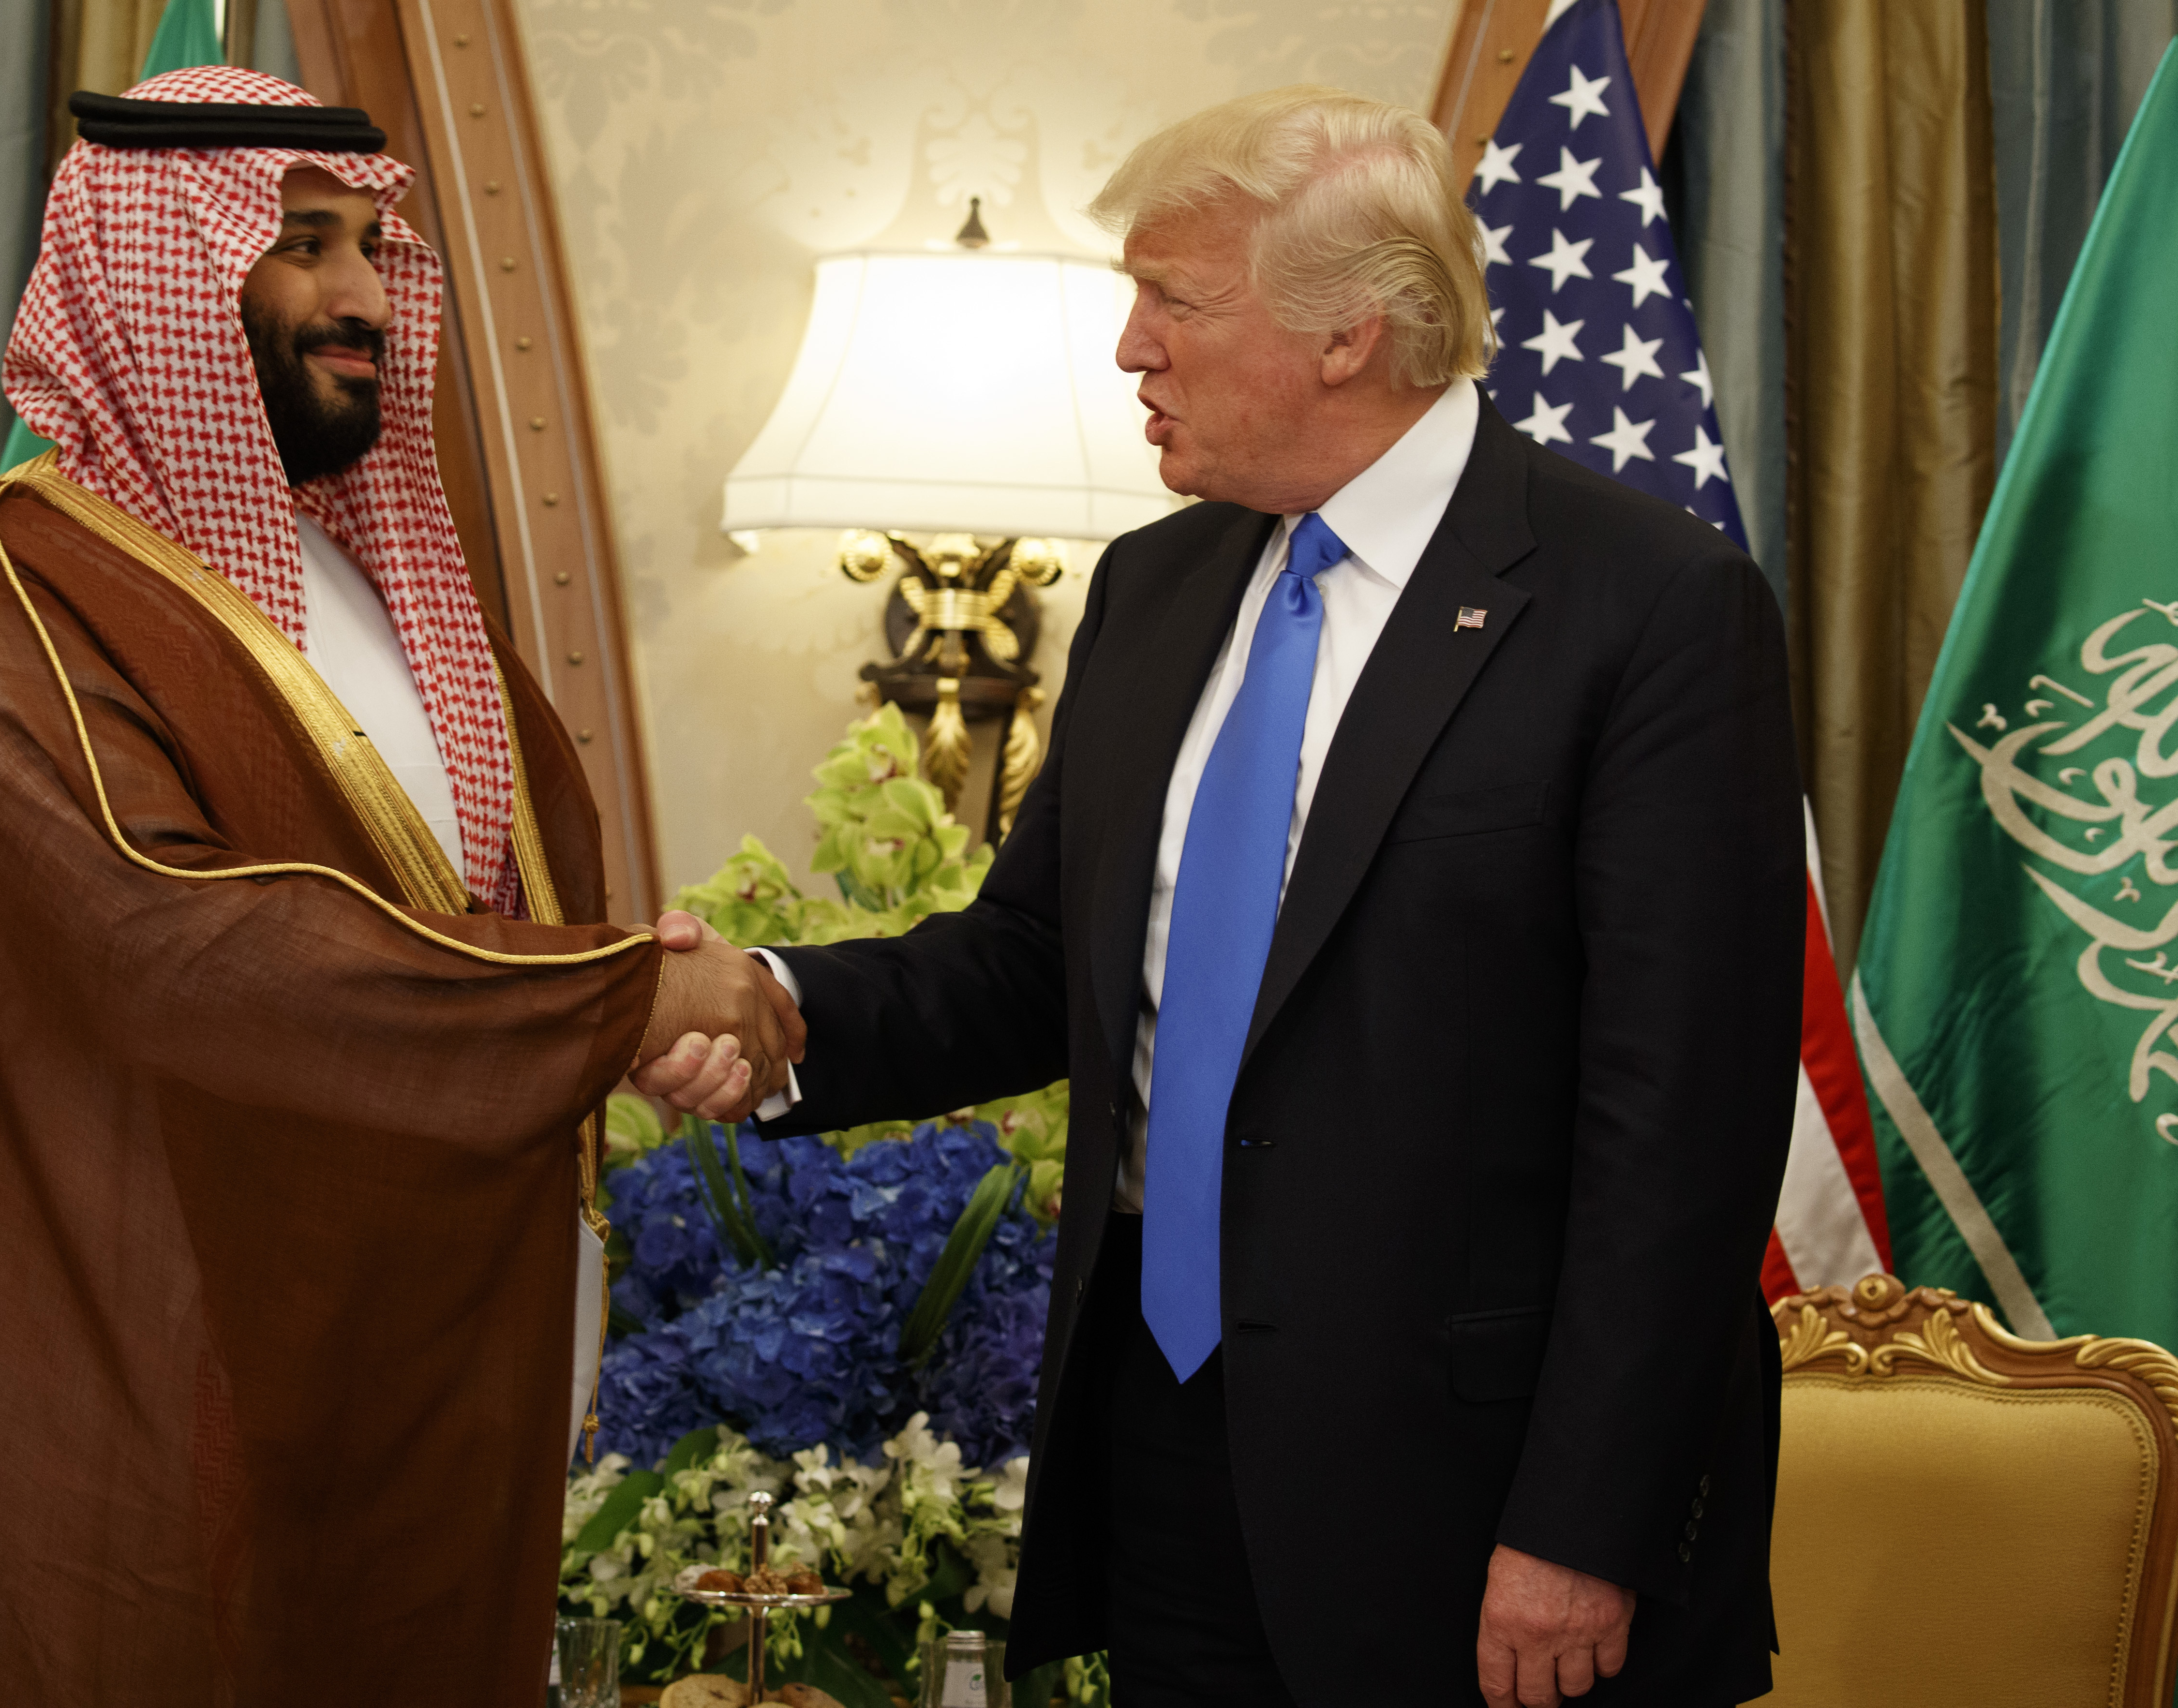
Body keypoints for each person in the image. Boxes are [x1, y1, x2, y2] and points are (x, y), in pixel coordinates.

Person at [638, 86, 1802, 1708]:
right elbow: (1038, 961)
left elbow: (1679, 1129)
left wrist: (1581, 1525)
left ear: (1348, 336)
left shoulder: (1650, 611)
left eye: (1171, 300)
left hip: (1479, 1505)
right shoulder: (1158, 583)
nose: (1128, 349)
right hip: (1170, 1450)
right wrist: (771, 1009)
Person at [0, 69, 793, 1705]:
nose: (361, 295)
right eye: (300, 245)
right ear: (156, 280)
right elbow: (175, 942)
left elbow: (500, 909)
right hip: (113, 1403)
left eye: (372, 246)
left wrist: (647, 1005)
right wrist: (632, 994)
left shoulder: (391, 596)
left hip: (401, 1405)